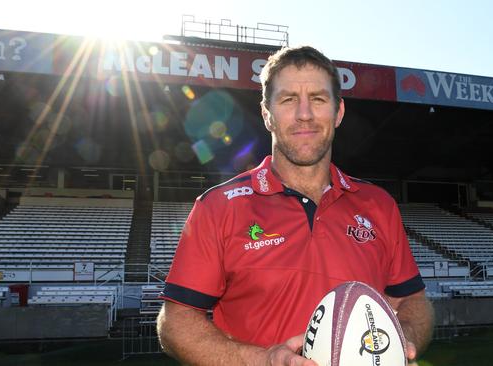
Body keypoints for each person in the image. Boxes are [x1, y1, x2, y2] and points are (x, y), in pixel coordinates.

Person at [157, 45, 434, 366]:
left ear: (338, 112)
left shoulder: (378, 204)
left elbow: (413, 300)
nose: (305, 114)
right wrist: (263, 360)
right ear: (267, 114)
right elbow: (176, 322)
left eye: (318, 99)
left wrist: (405, 339)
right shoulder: (218, 206)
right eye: (289, 100)